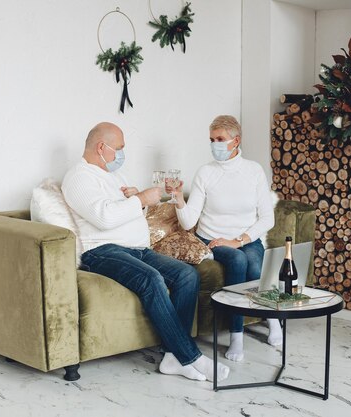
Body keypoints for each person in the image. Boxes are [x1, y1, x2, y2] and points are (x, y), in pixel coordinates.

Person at [62, 122, 229, 382]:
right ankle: (189, 356)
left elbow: (128, 212)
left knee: (187, 275)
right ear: (101, 147)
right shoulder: (79, 177)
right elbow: (104, 218)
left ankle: (172, 358)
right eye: (119, 149)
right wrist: (140, 199)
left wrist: (135, 198)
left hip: (138, 249)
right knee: (151, 279)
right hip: (102, 251)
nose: (121, 154)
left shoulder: (115, 175)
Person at [173, 115, 279, 362]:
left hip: (245, 238)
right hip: (211, 239)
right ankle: (236, 336)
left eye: (220, 139)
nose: (215, 145)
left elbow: (267, 219)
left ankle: (274, 320)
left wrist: (240, 240)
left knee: (254, 264)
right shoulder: (205, 173)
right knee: (238, 262)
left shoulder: (253, 171)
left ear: (236, 141)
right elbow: (188, 222)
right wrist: (178, 198)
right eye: (211, 140)